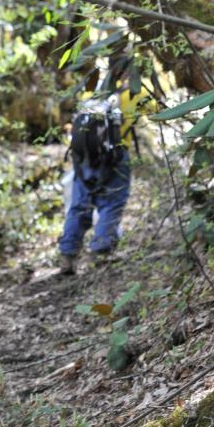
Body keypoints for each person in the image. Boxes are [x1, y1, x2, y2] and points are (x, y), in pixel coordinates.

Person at [57, 54, 145, 274]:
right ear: (128, 71)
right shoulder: (134, 93)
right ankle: (101, 253)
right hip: (115, 158)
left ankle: (67, 256)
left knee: (79, 206)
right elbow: (154, 111)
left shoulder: (91, 92)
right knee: (112, 202)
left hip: (83, 159)